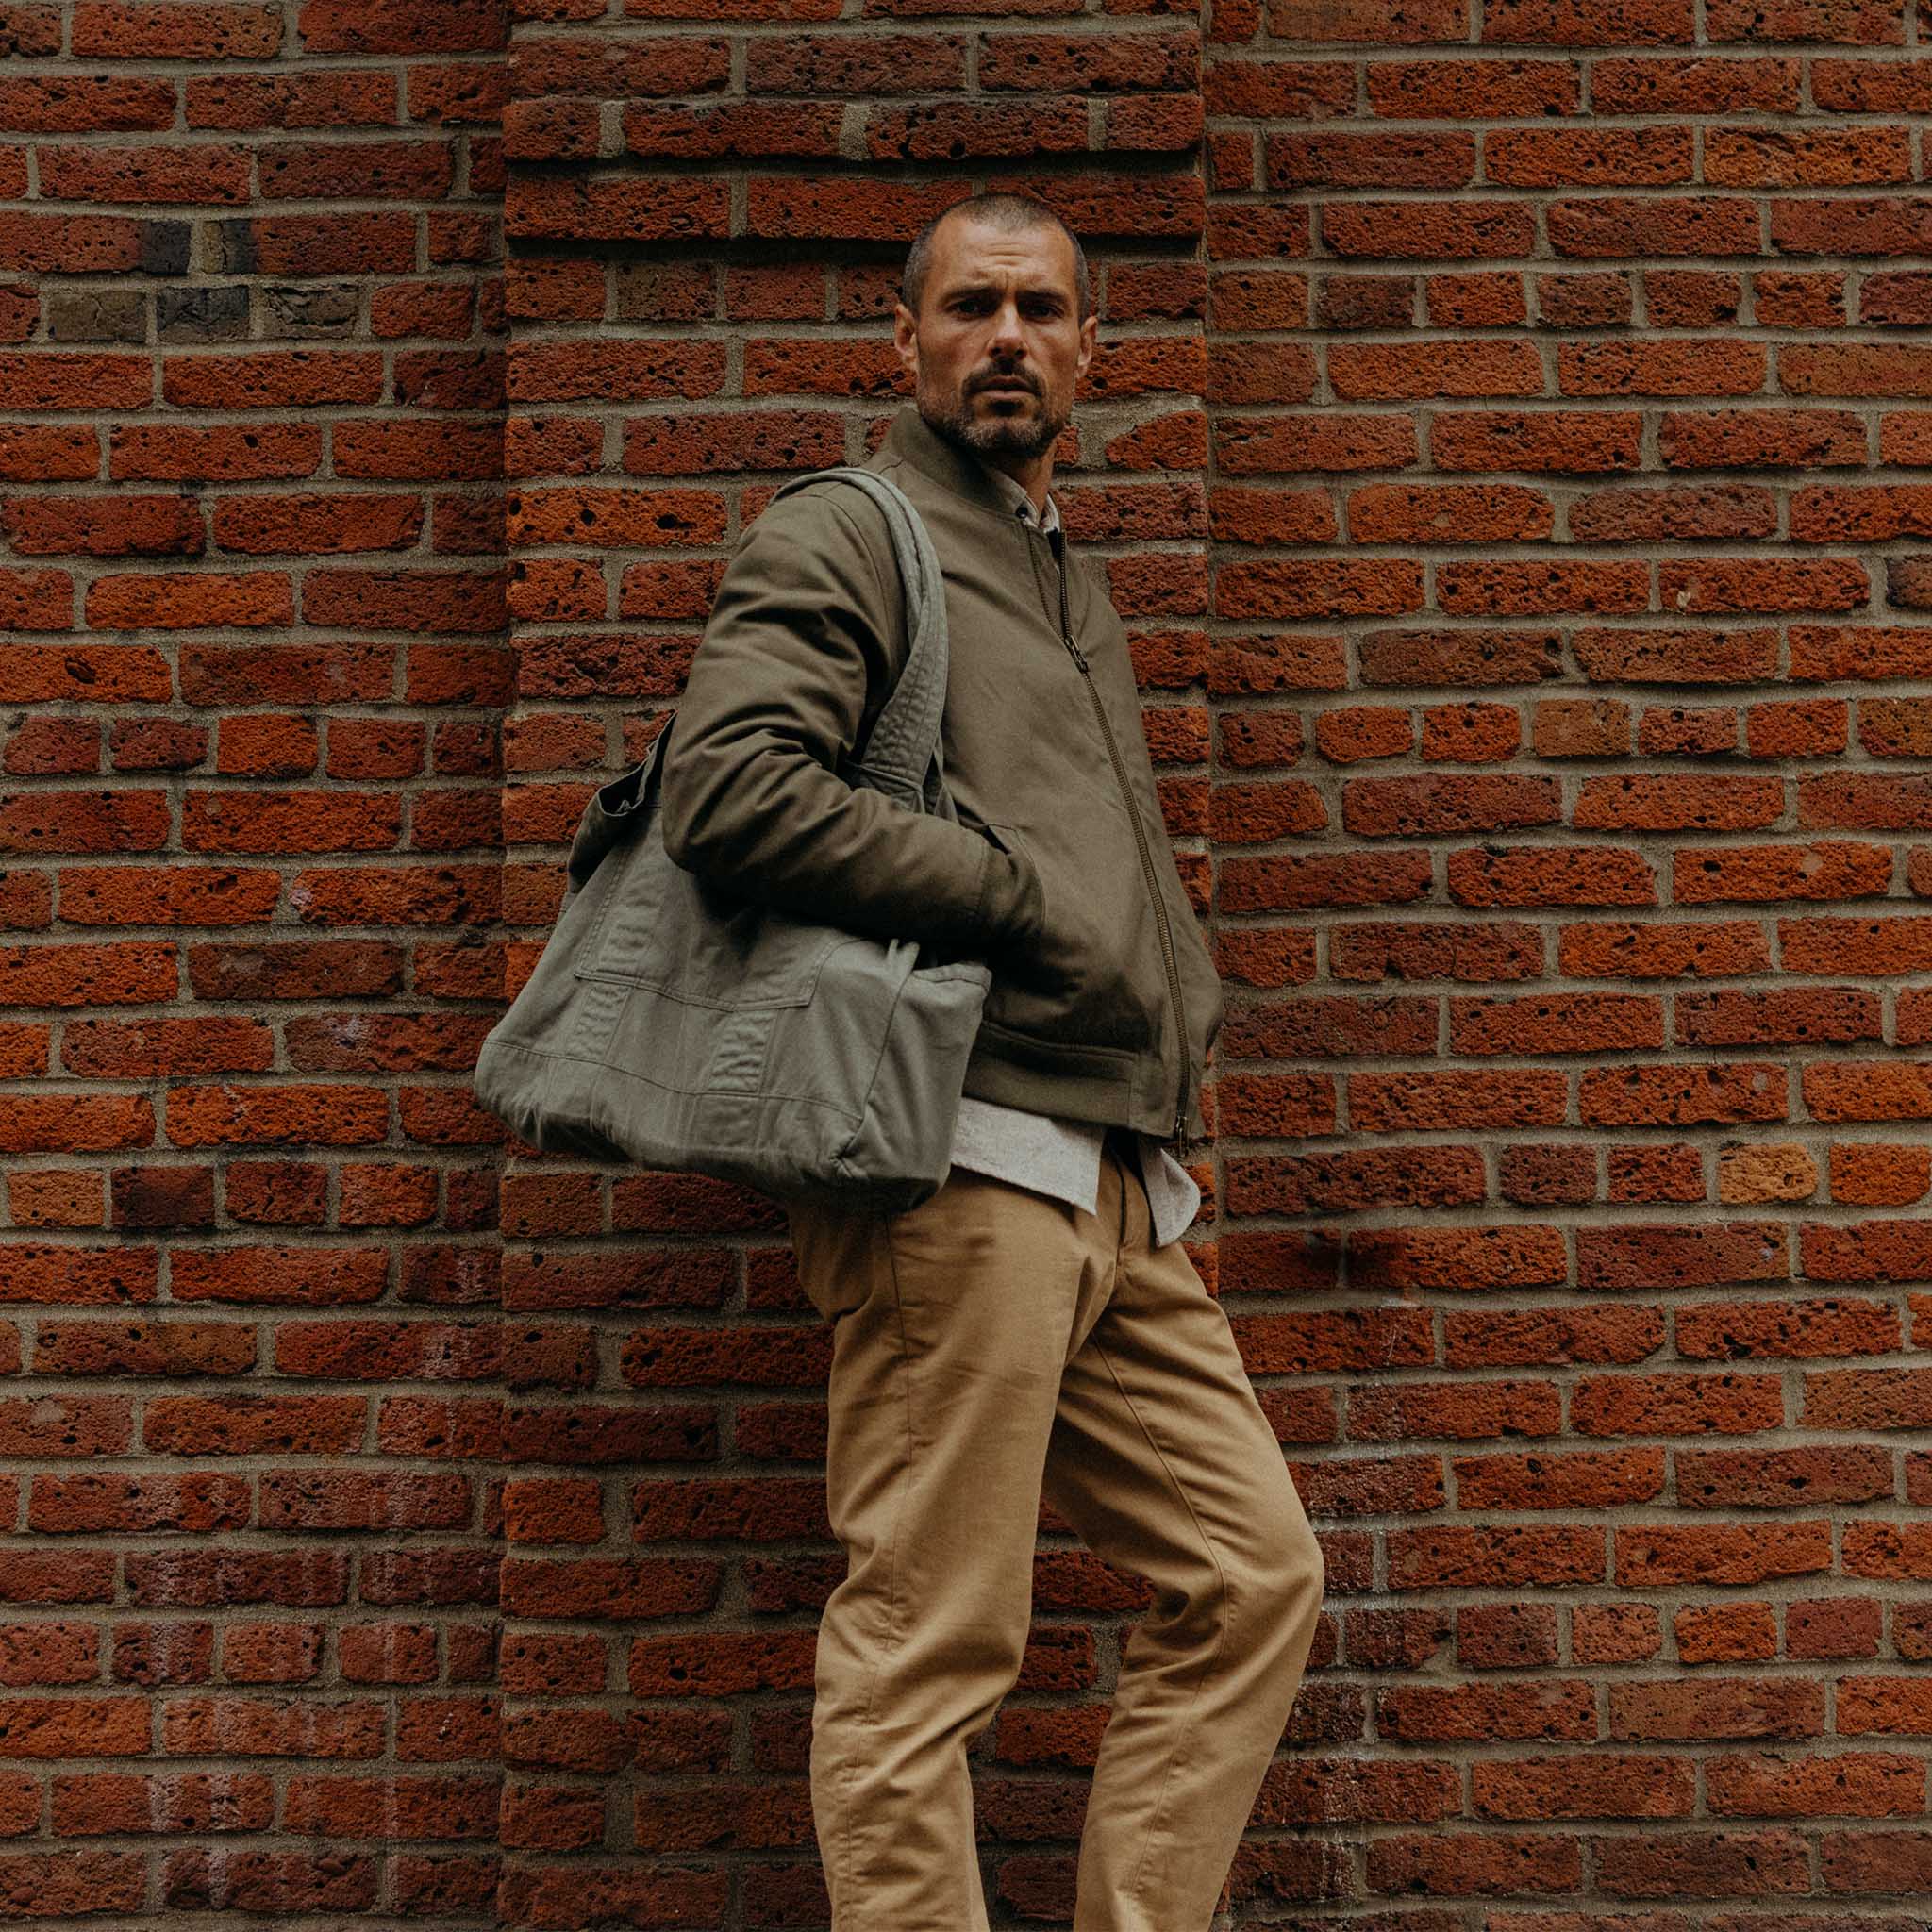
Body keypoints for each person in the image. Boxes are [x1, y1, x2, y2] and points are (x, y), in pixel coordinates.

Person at [656, 192, 1325, 1932]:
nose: (1008, 337)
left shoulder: (1057, 565)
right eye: (973, 308)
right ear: (910, 340)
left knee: (1252, 1576)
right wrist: (1010, 891)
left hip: (1120, 1178)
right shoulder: (850, 535)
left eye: (1041, 310)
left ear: (1093, 349)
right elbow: (728, 790)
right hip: (960, 1165)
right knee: (931, 1640)